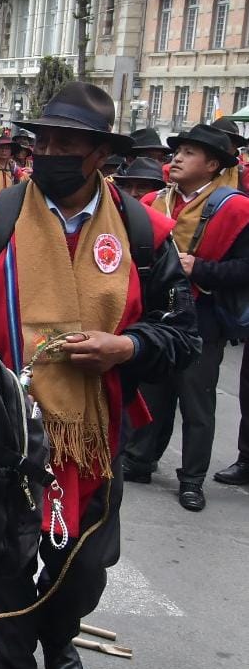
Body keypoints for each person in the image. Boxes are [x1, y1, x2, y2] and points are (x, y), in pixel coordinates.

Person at [0, 82, 199, 669]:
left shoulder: (142, 233)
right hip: (6, 430)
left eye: (68, 143)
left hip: (96, 430)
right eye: (44, 141)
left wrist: (126, 347)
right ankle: (11, 665)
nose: (50, 152)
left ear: (100, 154)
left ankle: (60, 642)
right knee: (6, 555)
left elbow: (183, 334)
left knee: (81, 564)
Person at [123, 124, 249, 510]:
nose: (176, 158)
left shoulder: (237, 209)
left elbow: (245, 268)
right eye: (176, 152)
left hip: (203, 318)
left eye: (189, 153)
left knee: (196, 404)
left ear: (212, 164)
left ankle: (191, 479)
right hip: (156, 314)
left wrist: (202, 269)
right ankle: (140, 459)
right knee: (152, 393)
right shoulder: (151, 203)